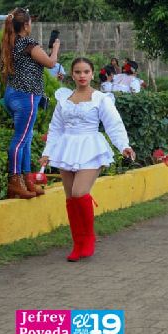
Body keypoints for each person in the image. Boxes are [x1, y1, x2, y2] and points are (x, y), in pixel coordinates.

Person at [39, 58, 135, 261]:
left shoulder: (101, 98)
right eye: (77, 72)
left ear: (92, 74)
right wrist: (47, 152)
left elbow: (113, 125)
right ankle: (78, 243)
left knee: (79, 193)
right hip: (66, 148)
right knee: (70, 199)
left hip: (91, 148)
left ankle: (89, 238)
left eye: (86, 71)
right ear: (72, 74)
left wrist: (124, 146)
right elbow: (55, 128)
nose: (82, 75)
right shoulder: (64, 98)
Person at [0, 8, 60, 199]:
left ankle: (27, 180)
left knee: (26, 138)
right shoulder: (27, 43)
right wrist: (56, 47)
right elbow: (50, 63)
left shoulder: (9, 43)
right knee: (20, 140)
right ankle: (15, 181)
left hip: (11, 95)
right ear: (26, 25)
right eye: (30, 22)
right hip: (27, 97)